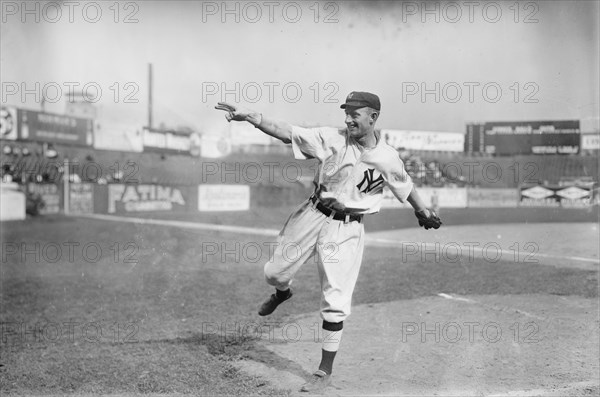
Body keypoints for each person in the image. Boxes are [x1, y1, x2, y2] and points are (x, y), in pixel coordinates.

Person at [215, 92, 441, 393]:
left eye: (354, 114)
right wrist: (253, 117)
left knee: (335, 300)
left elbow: (405, 184)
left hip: (346, 229)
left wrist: (422, 210)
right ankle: (282, 293)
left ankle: (324, 370)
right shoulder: (331, 138)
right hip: (312, 214)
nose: (347, 119)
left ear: (372, 117)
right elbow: (288, 132)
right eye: (345, 113)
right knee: (274, 273)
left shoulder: (387, 157)